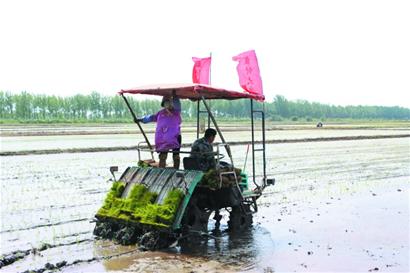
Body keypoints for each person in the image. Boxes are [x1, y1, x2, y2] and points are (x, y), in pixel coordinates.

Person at [138, 92, 181, 169]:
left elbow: (177, 103)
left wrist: (175, 95)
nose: (167, 104)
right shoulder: (160, 113)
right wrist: (141, 119)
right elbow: (150, 118)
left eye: (169, 102)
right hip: (163, 138)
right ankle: (161, 171)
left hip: (175, 137)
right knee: (162, 156)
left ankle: (176, 170)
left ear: (172, 103)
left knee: (176, 156)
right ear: (163, 104)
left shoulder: (176, 112)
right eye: (165, 103)